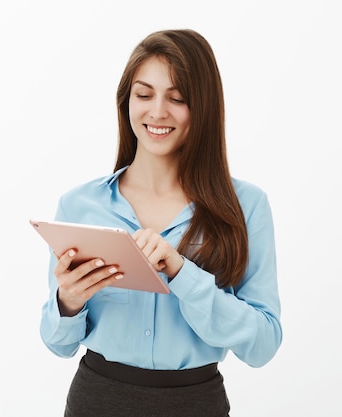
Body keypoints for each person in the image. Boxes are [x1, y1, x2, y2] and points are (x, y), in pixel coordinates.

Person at [38, 29, 282, 417]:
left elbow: (264, 345)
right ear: (127, 101)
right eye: (144, 94)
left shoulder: (245, 206)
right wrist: (69, 302)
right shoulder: (79, 204)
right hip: (95, 401)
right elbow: (57, 343)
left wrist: (183, 273)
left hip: (196, 404)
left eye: (178, 98)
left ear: (203, 106)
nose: (157, 112)